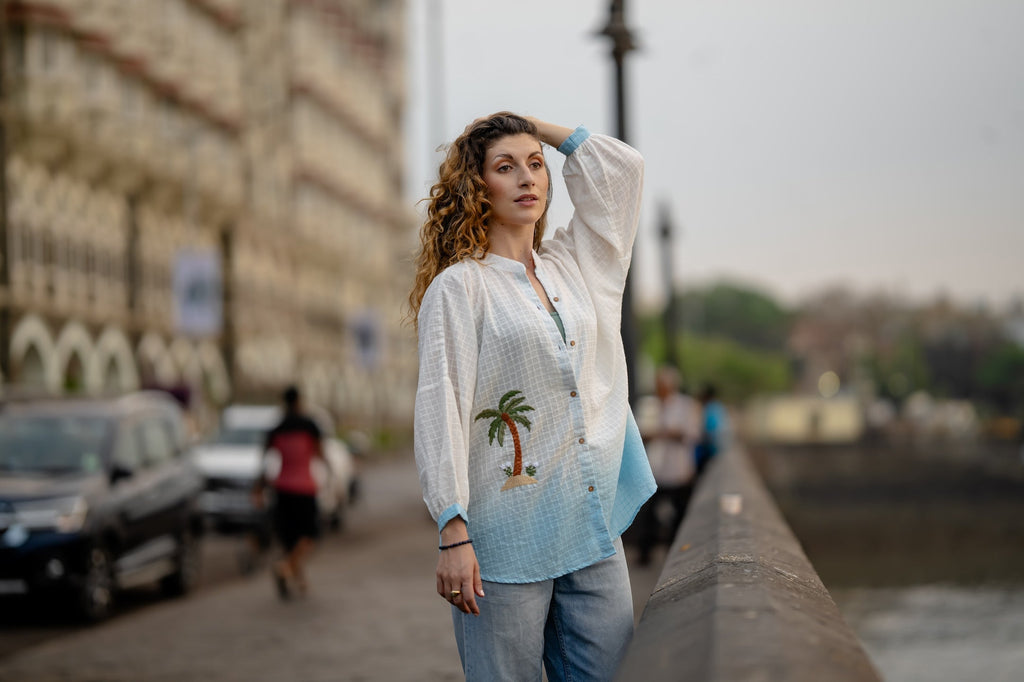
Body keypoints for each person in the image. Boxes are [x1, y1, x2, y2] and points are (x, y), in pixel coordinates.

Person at [410, 112, 655, 681]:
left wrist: (535, 127)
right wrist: (452, 530)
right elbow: (439, 403)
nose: (527, 179)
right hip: (503, 542)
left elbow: (624, 172)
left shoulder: (575, 266)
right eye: (506, 167)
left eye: (536, 165)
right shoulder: (460, 287)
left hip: (592, 526)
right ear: (478, 187)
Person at [254, 386, 326, 599]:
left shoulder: (276, 428)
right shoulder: (310, 425)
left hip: (282, 489)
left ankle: (298, 579)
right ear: (299, 401)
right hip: (304, 487)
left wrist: (259, 487)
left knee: (290, 538)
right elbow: (319, 453)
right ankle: (285, 568)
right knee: (310, 535)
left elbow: (265, 461)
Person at [634, 366, 701, 566]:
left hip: (677, 470)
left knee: (679, 517)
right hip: (654, 470)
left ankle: (676, 557)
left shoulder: (686, 406)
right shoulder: (649, 405)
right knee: (648, 515)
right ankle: (645, 554)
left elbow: (691, 433)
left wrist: (663, 433)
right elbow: (640, 432)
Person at [695, 383, 729, 477]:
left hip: (710, 451)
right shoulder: (719, 407)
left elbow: (709, 432)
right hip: (718, 450)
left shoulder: (709, 408)